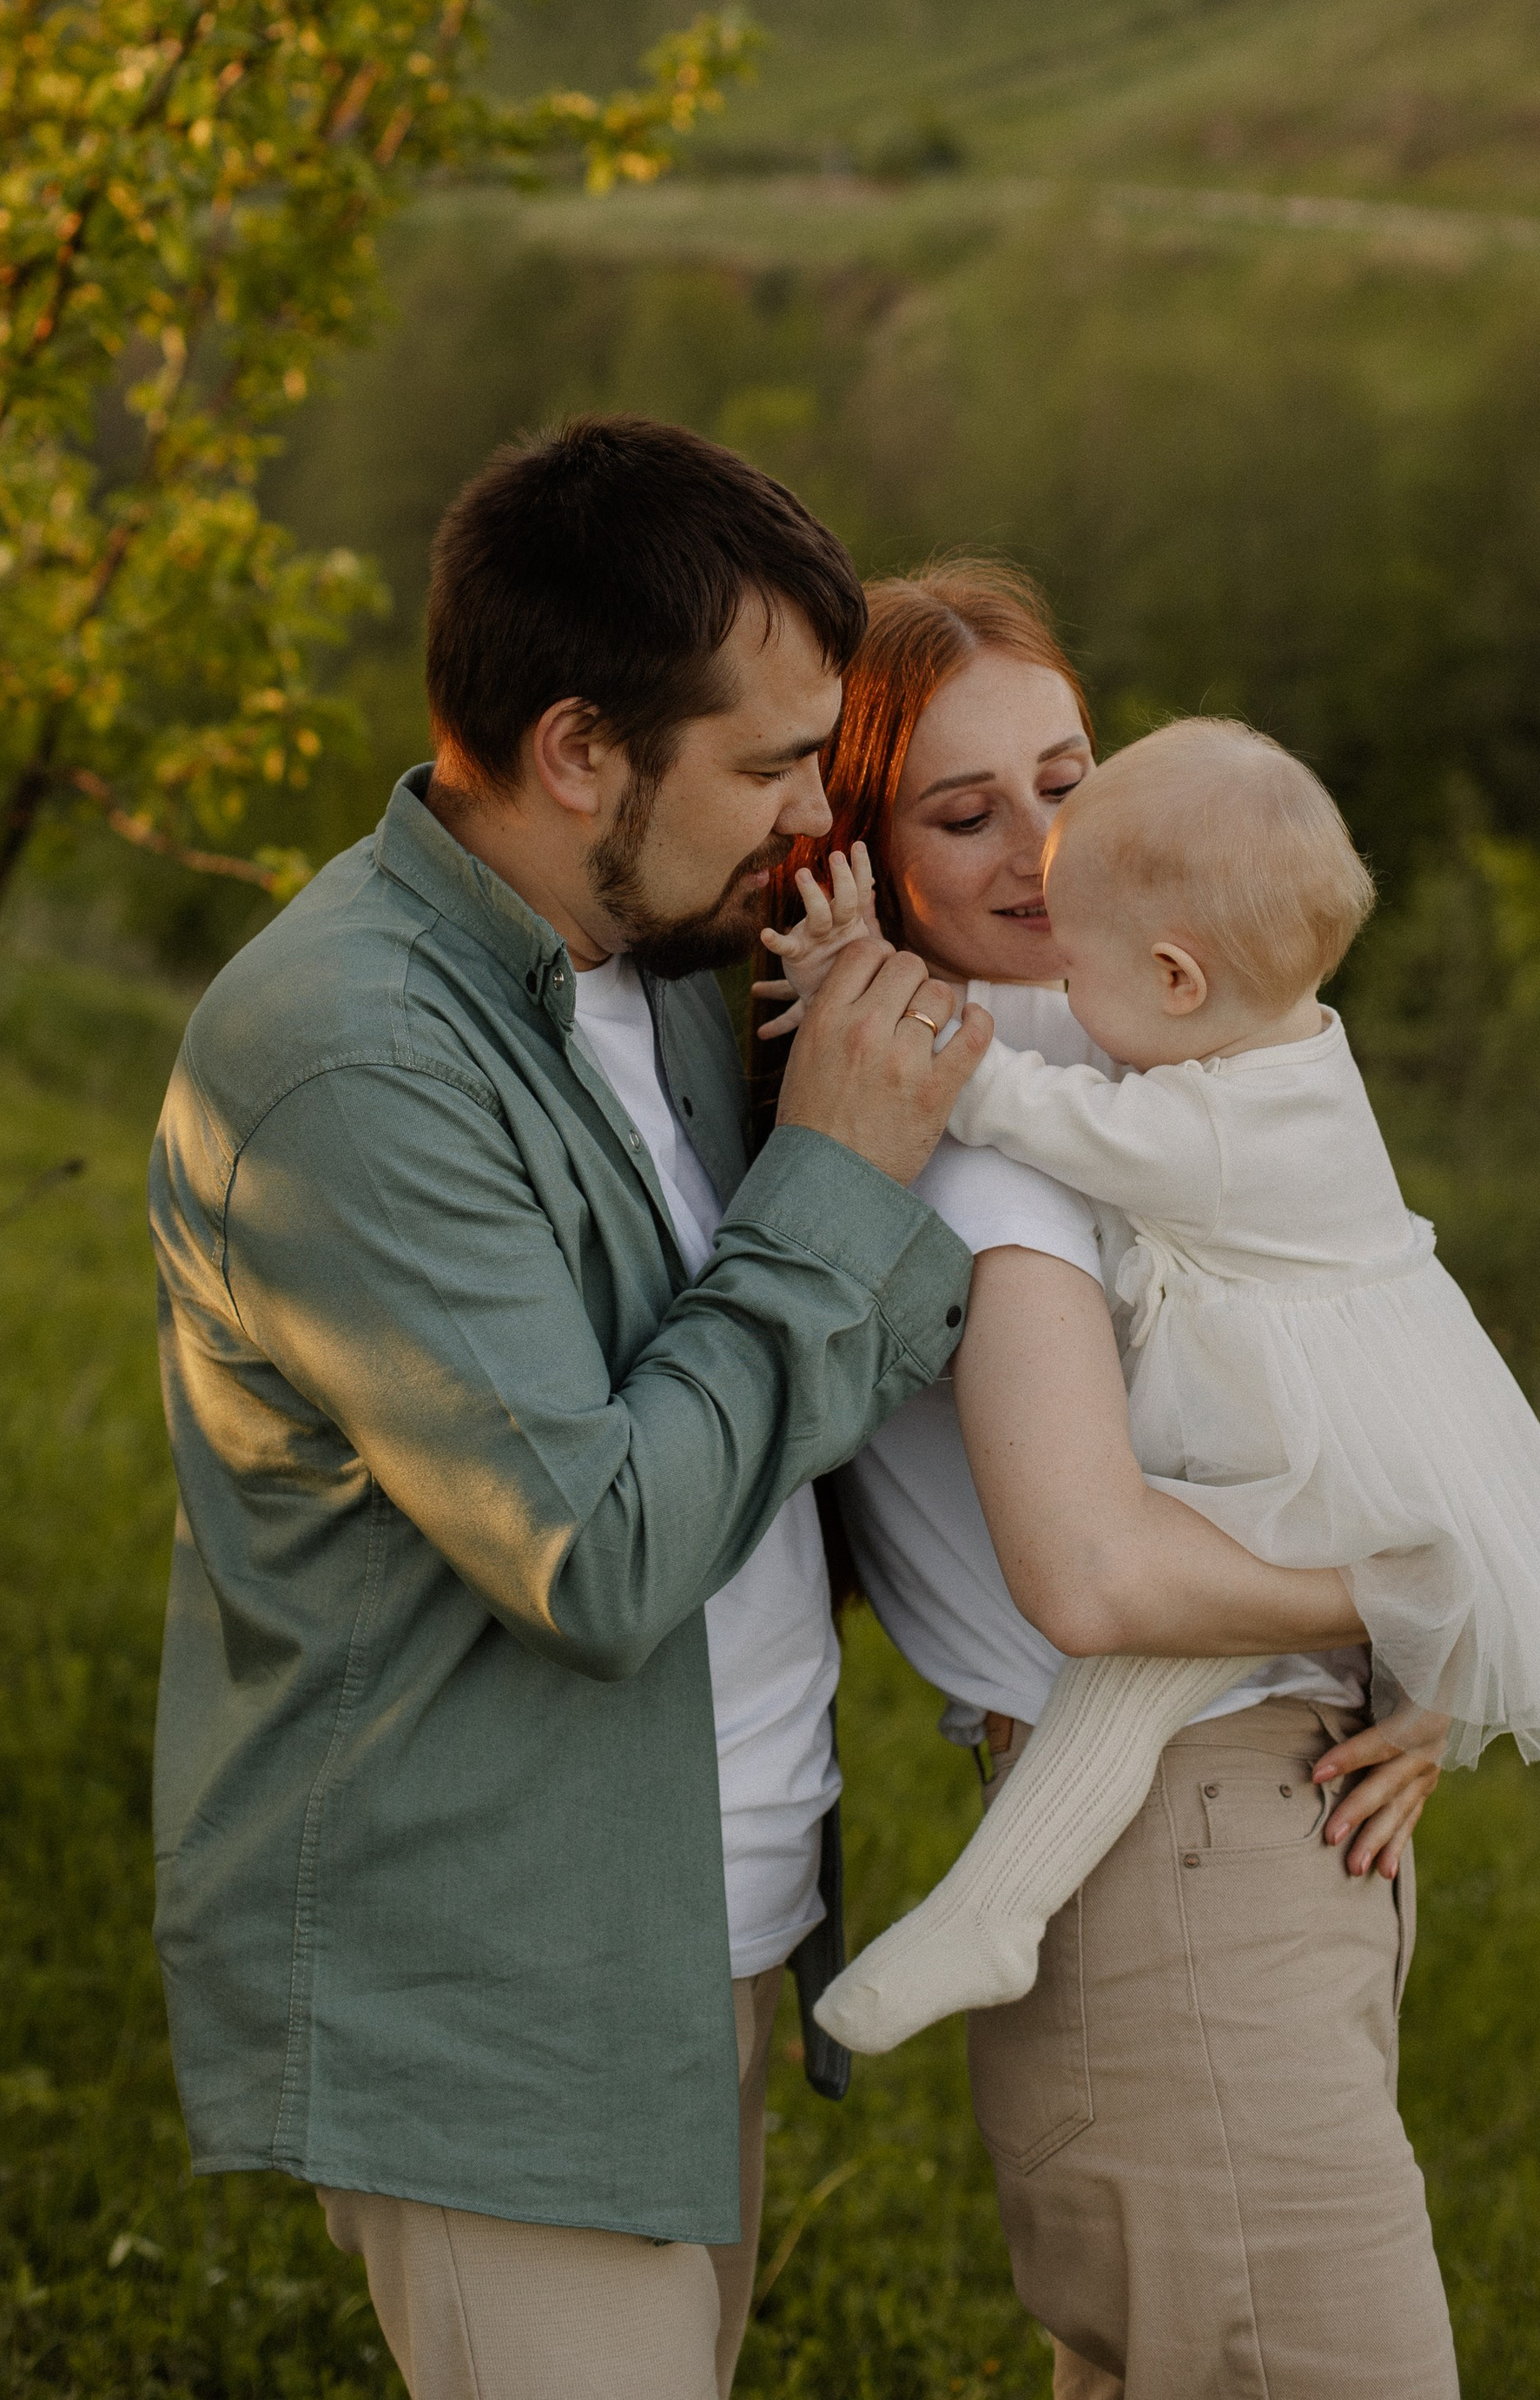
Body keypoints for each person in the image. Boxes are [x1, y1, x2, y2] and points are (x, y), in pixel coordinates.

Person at [148, 428, 1357, 2400]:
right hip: (507, 1969)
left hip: (689, 1919)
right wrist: (836, 1178)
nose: (819, 816)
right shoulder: (345, 1062)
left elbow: (838, 1402)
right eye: (777, 766)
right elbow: (597, 1549)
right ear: (576, 754)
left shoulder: (657, 979)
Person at [751, 564, 1465, 2400]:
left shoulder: (1109, 1075)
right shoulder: (985, 1150)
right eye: (960, 810)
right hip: (1178, 1852)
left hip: (1232, 1837)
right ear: (863, 850)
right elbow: (1094, 1575)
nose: (1040, 844)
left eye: (1066, 778)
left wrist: (1421, 1667)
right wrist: (1419, 1592)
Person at [778, 718, 1540, 2054]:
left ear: (1177, 977)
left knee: (1138, 1667)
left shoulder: (1210, 1134)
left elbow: (1000, 1093)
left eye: (1080, 971)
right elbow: (1014, 1024)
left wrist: (855, 969)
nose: (1061, 998)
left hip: (1325, 1460)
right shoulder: (1277, 1043)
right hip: (1374, 1430)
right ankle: (994, 1913)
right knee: (1159, 1670)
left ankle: (994, 1910)